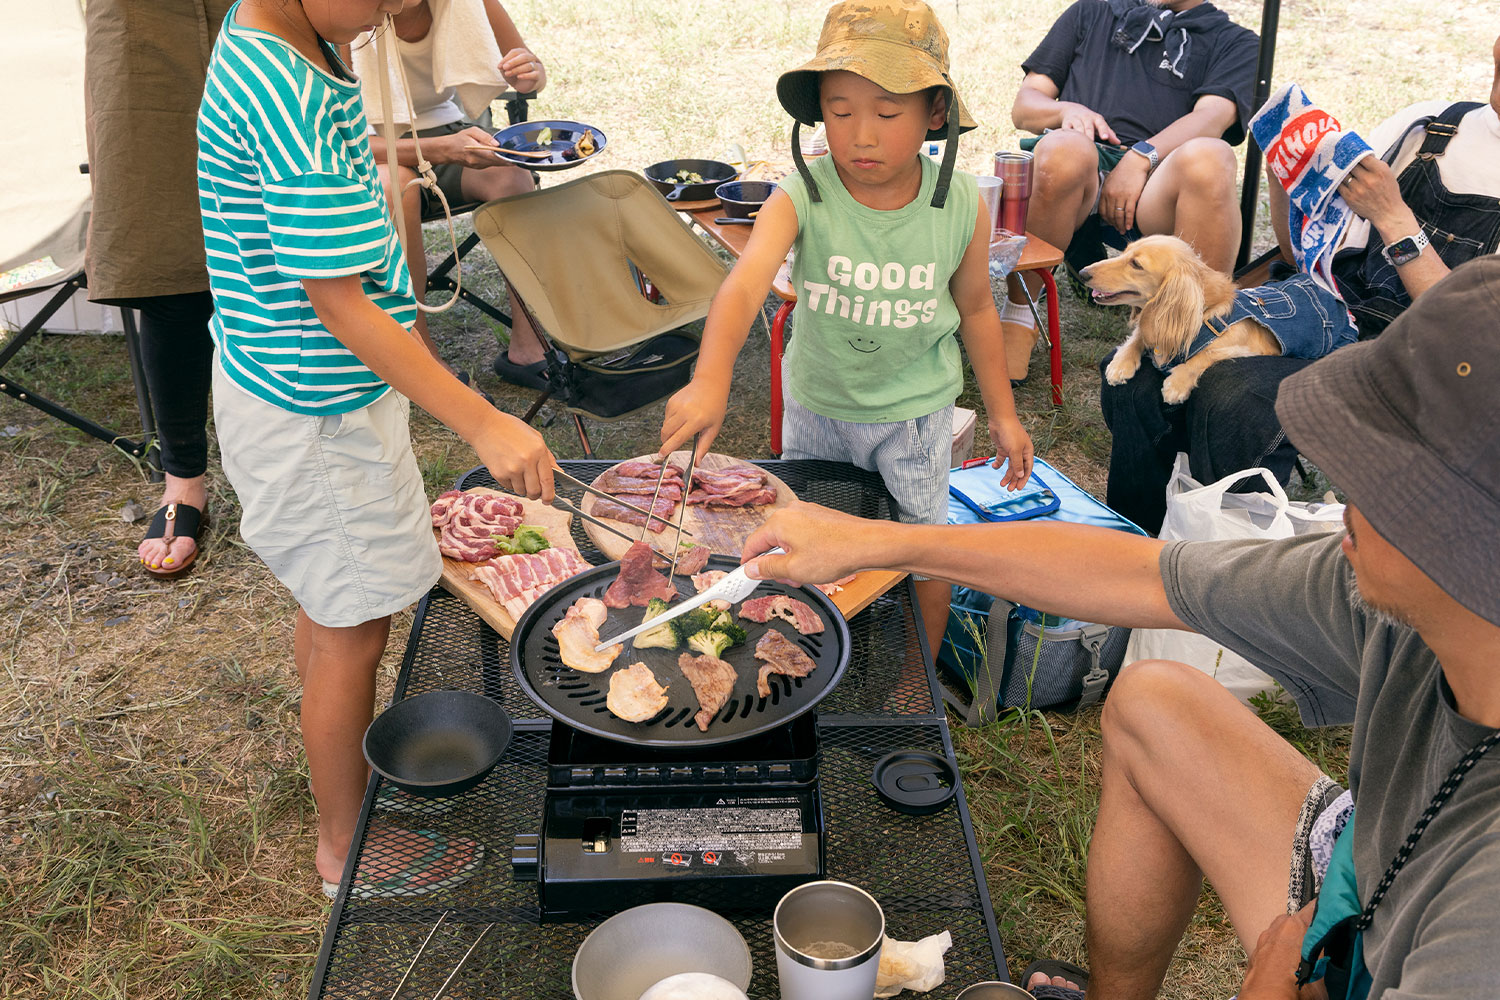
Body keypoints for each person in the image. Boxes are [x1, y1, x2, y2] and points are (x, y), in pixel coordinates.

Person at [739, 255, 1500, 1000]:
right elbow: (1140, 573)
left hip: (1399, 944)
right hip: (1365, 867)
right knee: (1154, 700)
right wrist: (883, 542)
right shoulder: (1394, 598)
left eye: (1383, 475)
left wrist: (1270, 985)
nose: (1340, 490)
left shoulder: (1483, 934)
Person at [198, 0, 557, 896]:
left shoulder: (298, 32)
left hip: (309, 391)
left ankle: (339, 777)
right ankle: (344, 847)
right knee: (355, 626)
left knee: (334, 609)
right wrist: (480, 418)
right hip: (314, 415)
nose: (395, 14)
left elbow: (333, 167)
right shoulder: (279, 80)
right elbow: (342, 302)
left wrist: (431, 153)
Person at [657, 0, 1035, 661]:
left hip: (914, 419)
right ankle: (811, 656)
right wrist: (709, 379)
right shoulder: (802, 193)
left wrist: (1002, 412)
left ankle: (918, 674)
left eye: (888, 114)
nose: (861, 135)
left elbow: (977, 309)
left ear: (934, 113)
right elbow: (746, 283)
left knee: (926, 555)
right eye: (839, 111)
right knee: (805, 549)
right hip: (818, 409)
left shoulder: (960, 207)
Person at [1100, 33, 1500, 534]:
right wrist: (1285, 177)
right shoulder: (1430, 125)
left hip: (1418, 354)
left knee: (1233, 393)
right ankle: (1135, 541)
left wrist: (1395, 219)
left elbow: (1471, 329)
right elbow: (1302, 256)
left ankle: (1217, 568)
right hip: (1314, 303)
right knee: (1141, 369)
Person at [1001, 0, 1258, 380]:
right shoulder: (1092, 10)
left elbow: (1212, 118)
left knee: (1211, 156)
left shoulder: (1234, 41)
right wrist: (1066, 111)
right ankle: (1021, 313)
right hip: (1081, 166)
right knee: (1062, 149)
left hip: (1159, 180)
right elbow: (1026, 104)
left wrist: (1142, 158)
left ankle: (1201, 331)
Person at [83, 0, 235, 578]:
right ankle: (184, 482)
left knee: (290, 228)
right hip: (140, 20)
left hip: (260, 12)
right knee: (165, 257)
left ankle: (307, 448)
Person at [354, 0, 553, 391]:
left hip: (451, 132)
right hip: (372, 148)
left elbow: (533, 74)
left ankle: (528, 345)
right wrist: (441, 150)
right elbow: (340, 138)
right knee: (393, 186)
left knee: (510, 174)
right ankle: (420, 354)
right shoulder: (347, 12)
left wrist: (530, 74)